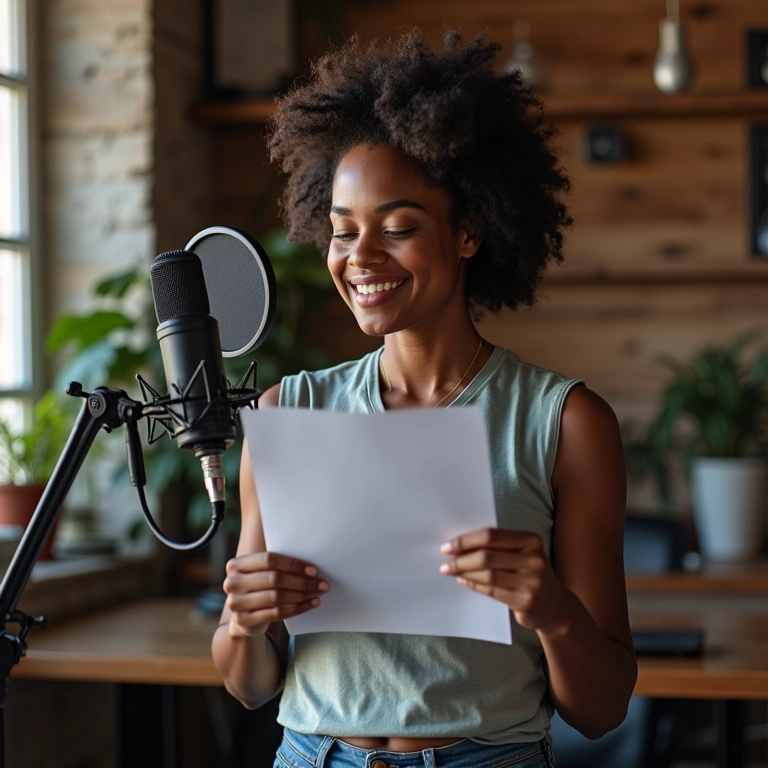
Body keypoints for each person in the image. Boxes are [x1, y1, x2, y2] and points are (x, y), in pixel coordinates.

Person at [212, 28, 636, 768]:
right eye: (342, 234)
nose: (361, 258)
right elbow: (250, 687)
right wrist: (244, 624)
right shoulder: (289, 413)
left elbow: (600, 712)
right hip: (312, 755)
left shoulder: (563, 423)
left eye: (398, 228)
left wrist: (551, 612)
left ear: (470, 232)